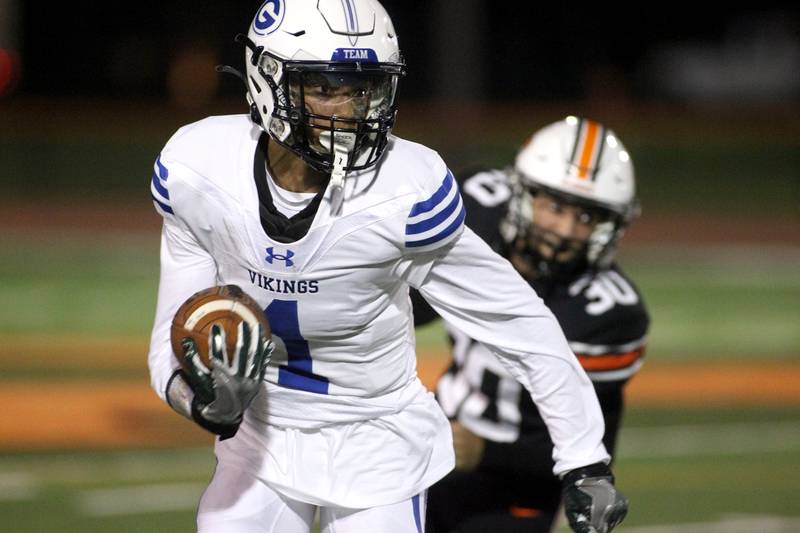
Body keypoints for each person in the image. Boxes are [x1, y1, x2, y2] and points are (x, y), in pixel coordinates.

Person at [147, 1, 627, 532]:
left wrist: (584, 459)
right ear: (267, 79)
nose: (349, 111)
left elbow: (517, 321)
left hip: (377, 443)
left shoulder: (404, 192)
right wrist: (200, 401)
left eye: (363, 89)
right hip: (259, 440)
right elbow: (173, 333)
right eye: (325, 88)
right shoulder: (200, 171)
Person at [414, 116, 650, 533]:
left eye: (587, 217)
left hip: (515, 488)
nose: (565, 230)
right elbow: (415, 303)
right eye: (556, 207)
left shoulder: (606, 313)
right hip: (429, 448)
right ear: (522, 194)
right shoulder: (478, 214)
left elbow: (592, 452)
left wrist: (483, 452)